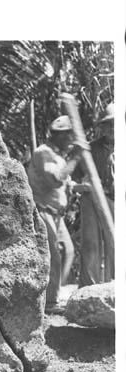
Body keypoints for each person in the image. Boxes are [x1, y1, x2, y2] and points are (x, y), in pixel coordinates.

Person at [27, 115, 83, 312]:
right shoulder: (44, 153)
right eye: (68, 136)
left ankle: (54, 294)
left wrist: (80, 187)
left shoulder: (58, 157)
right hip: (43, 212)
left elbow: (65, 183)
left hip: (56, 215)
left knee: (68, 252)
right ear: (58, 136)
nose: (70, 140)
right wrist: (76, 157)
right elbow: (55, 180)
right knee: (52, 256)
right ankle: (49, 302)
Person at [78, 103, 114, 287]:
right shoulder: (91, 149)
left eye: (116, 124)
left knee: (115, 244)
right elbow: (72, 179)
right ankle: (88, 287)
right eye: (109, 125)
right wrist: (84, 187)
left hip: (116, 200)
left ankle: (113, 285)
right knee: (91, 244)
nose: (112, 129)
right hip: (93, 198)